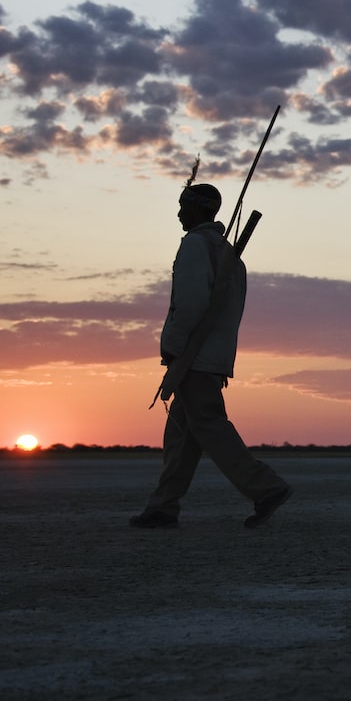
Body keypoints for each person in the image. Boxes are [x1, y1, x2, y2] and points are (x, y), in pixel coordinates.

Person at [129, 183, 292, 529]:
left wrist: (172, 347)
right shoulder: (228, 254)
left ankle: (266, 487)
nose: (178, 213)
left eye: (182, 206)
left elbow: (188, 305)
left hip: (195, 356)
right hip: (213, 355)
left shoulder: (195, 245)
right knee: (181, 436)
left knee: (209, 426)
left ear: (198, 210)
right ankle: (163, 506)